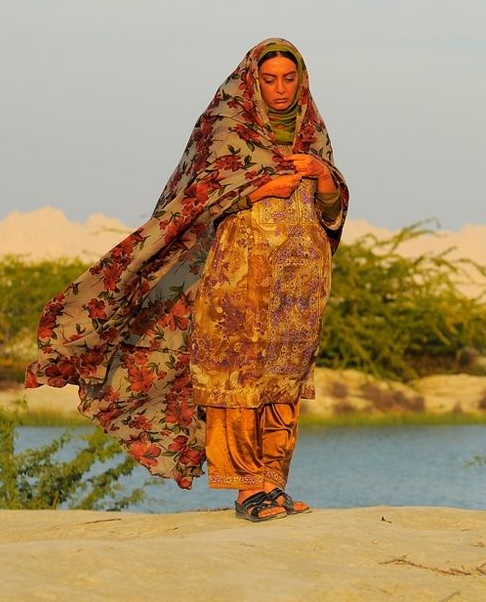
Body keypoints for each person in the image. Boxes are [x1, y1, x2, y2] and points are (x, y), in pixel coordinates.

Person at [26, 38, 348, 522]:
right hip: (237, 278)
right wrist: (261, 188)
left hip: (299, 284)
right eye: (270, 79)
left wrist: (324, 177)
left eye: (289, 79)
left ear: (302, 82)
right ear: (251, 82)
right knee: (235, 381)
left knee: (284, 382)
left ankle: (273, 485)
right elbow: (197, 199)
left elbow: (331, 214)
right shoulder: (227, 128)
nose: (281, 89)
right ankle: (246, 493)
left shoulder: (313, 136)